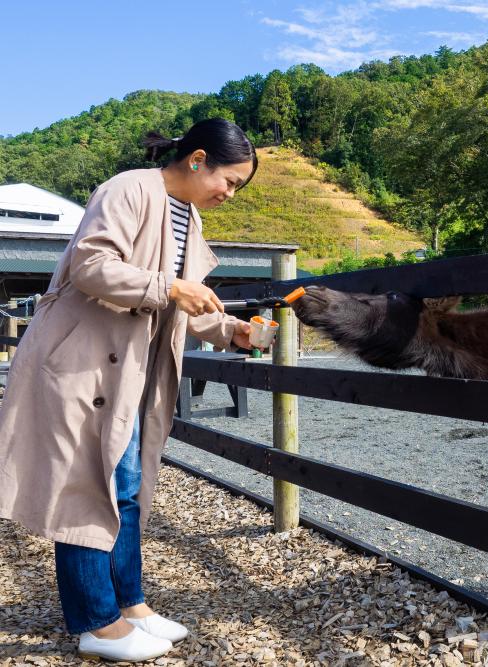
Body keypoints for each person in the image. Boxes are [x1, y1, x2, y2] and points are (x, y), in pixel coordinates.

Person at [0, 118, 261, 661]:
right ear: (197, 160)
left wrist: (231, 330)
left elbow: (183, 302)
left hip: (124, 375)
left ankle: (130, 604)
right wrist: (169, 287)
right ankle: (96, 621)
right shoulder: (128, 188)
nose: (229, 194)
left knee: (127, 490)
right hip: (79, 365)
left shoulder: (186, 214)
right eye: (229, 181)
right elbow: (92, 266)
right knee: (85, 489)